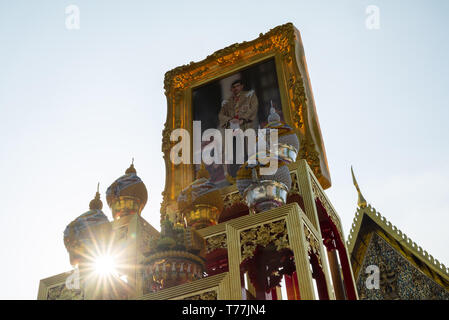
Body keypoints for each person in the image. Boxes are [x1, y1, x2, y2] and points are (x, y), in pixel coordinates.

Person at [217, 80, 259, 180]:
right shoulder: (227, 102)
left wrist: (242, 119)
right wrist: (230, 120)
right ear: (231, 89)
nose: (236, 88)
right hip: (233, 131)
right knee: (235, 152)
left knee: (248, 150)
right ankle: (238, 176)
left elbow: (253, 108)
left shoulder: (249, 96)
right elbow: (221, 115)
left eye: (238, 86)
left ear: (242, 86)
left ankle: (252, 174)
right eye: (233, 87)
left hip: (245, 127)